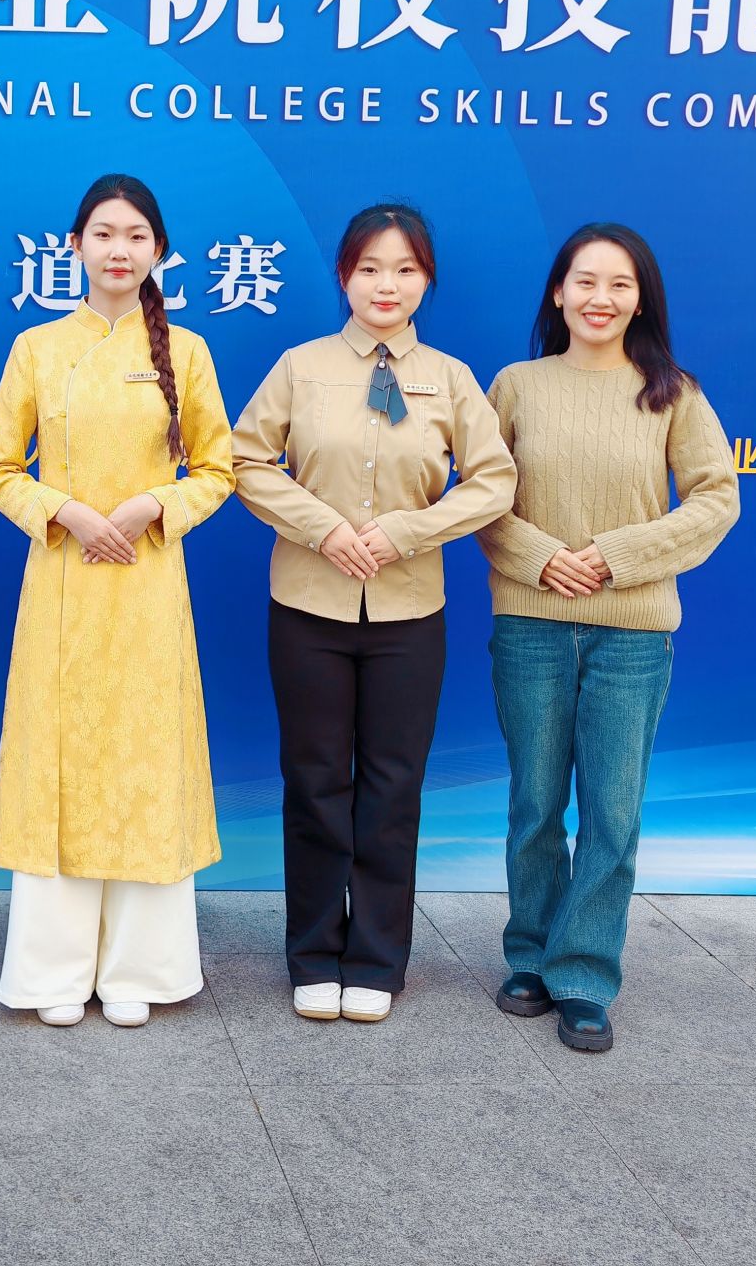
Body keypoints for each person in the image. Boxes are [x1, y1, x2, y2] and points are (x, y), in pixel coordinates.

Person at [232, 202, 515, 1023]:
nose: (386, 285)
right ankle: (314, 954)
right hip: (308, 606)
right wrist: (322, 528)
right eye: (369, 269)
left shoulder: (451, 378)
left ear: (427, 279)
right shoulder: (301, 366)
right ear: (343, 276)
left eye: (404, 270)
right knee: (315, 781)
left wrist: (406, 532)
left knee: (393, 786)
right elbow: (245, 460)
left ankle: (378, 959)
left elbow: (494, 480)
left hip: (409, 613)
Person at [0, 173, 235, 1028]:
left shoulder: (186, 351)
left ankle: (139, 969)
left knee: (143, 762)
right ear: (75, 245)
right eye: (103, 234)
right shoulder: (37, 347)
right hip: (62, 586)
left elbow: (219, 469)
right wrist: (66, 512)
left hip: (147, 588)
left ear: (159, 250)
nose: (118, 250)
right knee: (59, 762)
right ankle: (51, 972)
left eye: (135, 236)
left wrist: (153, 505)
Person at [478, 222, 739, 1052]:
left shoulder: (672, 393)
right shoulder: (516, 385)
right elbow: (481, 496)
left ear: (641, 299)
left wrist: (616, 556)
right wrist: (543, 558)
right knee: (534, 804)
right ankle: (530, 955)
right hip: (532, 625)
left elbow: (715, 499)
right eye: (585, 282)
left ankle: (584, 973)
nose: (601, 298)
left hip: (631, 637)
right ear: (558, 293)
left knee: (612, 812)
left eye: (619, 284)